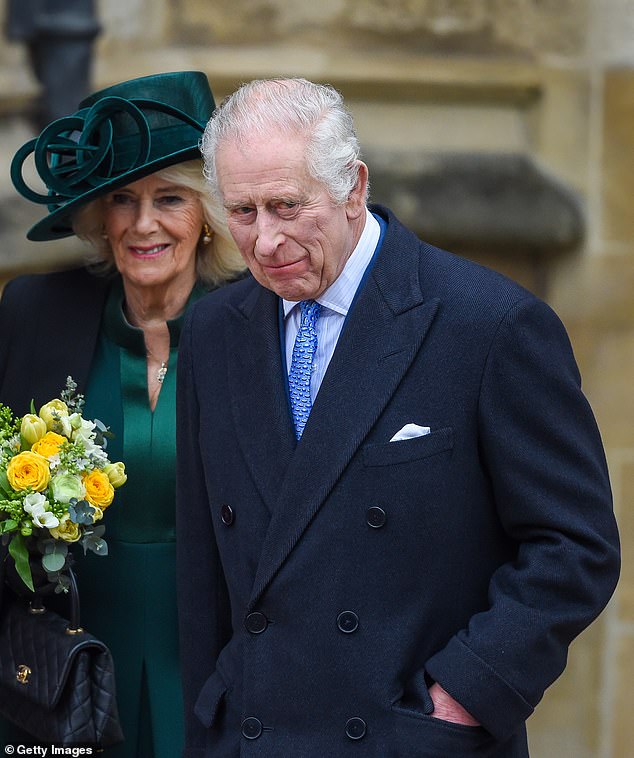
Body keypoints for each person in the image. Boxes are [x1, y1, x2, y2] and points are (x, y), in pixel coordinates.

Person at [175, 77, 621, 757]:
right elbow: (204, 568)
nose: (264, 240)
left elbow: (575, 546)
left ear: (353, 187)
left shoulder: (490, 325)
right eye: (242, 212)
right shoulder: (212, 331)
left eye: (287, 206)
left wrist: (466, 693)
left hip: (407, 735)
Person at [0, 71, 245, 756]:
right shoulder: (32, 314)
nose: (144, 224)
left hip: (214, 662)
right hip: (60, 668)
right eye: (122, 200)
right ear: (98, 219)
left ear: (206, 217)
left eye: (170, 198)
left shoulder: (263, 329)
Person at [4, 0, 101, 130]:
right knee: (60, 107)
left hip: (62, 26)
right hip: (54, 24)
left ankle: (67, 146)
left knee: (65, 111)